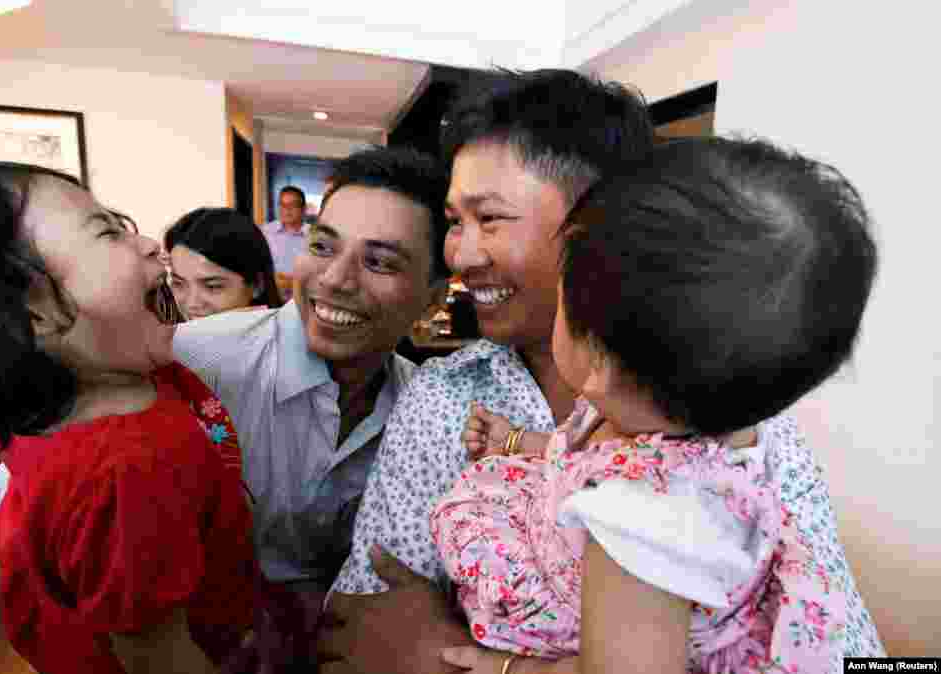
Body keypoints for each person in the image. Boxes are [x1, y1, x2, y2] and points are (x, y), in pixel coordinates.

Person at [320, 70, 885, 674]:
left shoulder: (753, 444)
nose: (459, 254)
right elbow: (359, 620)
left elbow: (848, 653)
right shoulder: (444, 397)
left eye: (490, 219)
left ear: (603, 223)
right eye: (455, 222)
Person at [0, 162, 295, 674]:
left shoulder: (109, 388)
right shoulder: (128, 470)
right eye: (106, 231)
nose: (144, 242)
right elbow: (158, 657)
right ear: (31, 310)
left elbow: (0, 567)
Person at [172, 148, 450, 610]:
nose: (336, 279)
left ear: (434, 299)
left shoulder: (428, 410)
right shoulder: (198, 358)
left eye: (379, 262)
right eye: (322, 246)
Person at [166, 207, 284, 320]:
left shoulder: (291, 338)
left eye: (212, 287)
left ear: (257, 285)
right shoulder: (168, 337)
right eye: (178, 283)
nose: (192, 304)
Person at [263, 185, 309, 275]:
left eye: (293, 205)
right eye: (283, 205)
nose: (287, 209)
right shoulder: (265, 232)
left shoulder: (313, 235)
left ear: (303, 208)